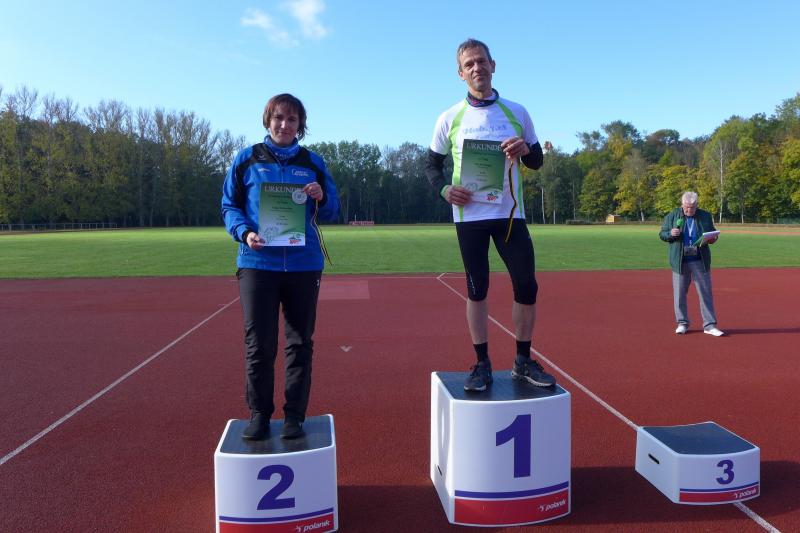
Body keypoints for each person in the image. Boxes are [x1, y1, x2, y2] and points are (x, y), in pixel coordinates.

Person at [425, 38, 556, 392]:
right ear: (460, 73)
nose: (476, 68)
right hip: (469, 216)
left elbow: (536, 161)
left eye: (481, 61)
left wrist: (525, 148)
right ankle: (481, 363)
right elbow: (431, 164)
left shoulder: (517, 112)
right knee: (476, 288)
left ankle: (522, 360)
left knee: (526, 285)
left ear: (493, 65)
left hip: (510, 214)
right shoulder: (450, 117)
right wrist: (443, 190)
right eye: (469, 64)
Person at [221, 93, 340, 440]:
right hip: (258, 262)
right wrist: (245, 233)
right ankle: (259, 414)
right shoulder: (247, 159)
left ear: (300, 125)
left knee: (300, 342)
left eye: (291, 119)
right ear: (267, 120)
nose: (284, 125)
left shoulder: (313, 162)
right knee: (259, 344)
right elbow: (229, 206)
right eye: (278, 118)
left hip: (303, 264)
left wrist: (322, 196)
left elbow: (333, 211)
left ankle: (294, 417)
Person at [659, 191, 723, 336]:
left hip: (700, 260)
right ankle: (682, 323)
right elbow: (662, 234)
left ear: (697, 205)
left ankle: (709, 325)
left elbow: (712, 233)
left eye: (692, 207)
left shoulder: (705, 216)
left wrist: (713, 238)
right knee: (680, 294)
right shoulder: (672, 215)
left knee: (705, 293)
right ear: (682, 204)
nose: (689, 210)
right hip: (680, 261)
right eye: (687, 207)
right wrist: (670, 234)